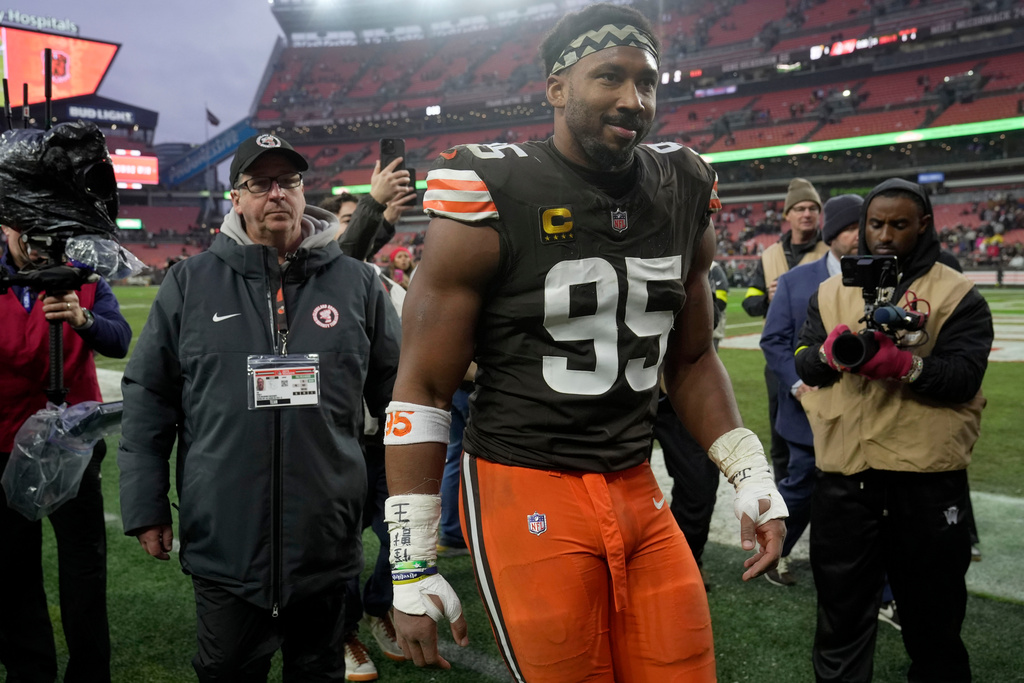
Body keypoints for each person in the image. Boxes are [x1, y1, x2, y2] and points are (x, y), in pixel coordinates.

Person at [382, 5, 787, 681]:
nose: (634, 100)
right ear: (557, 87)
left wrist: (751, 475)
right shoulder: (491, 187)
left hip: (634, 476)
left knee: (686, 668)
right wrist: (410, 559)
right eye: (609, 77)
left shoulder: (683, 184)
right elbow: (423, 383)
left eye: (648, 81)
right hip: (524, 478)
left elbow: (689, 358)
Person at [117, 133, 402, 680]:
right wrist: (145, 504)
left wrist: (402, 511)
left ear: (302, 190)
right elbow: (150, 395)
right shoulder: (189, 283)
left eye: (288, 181)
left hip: (325, 544)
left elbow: (397, 401)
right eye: (260, 183)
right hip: (226, 543)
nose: (277, 193)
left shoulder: (358, 283)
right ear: (237, 199)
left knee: (318, 672)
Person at [794, 178, 992, 682]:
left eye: (898, 225)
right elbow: (805, 362)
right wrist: (825, 354)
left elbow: (964, 378)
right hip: (844, 480)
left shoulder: (958, 294)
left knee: (934, 627)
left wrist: (905, 365)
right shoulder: (829, 290)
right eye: (876, 224)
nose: (884, 235)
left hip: (924, 482)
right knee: (839, 623)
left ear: (923, 226)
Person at [0, 224, 131, 683]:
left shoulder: (88, 278)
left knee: (84, 566)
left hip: (72, 441)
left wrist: (83, 320)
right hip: (2, 440)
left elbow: (119, 340)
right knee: (13, 567)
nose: (37, 238)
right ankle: (28, 670)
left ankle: (90, 673)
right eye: (24, 225)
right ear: (4, 227)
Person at [759, 194, 862, 587]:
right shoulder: (795, 280)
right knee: (800, 486)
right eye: (850, 227)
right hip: (809, 410)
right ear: (831, 234)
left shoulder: (887, 279)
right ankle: (776, 551)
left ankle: (882, 587)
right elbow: (773, 341)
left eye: (861, 227)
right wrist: (799, 383)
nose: (859, 236)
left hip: (868, 411)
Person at [742, 178, 828, 483]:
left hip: (820, 351)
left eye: (812, 208)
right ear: (787, 215)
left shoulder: (830, 251)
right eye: (800, 208)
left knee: (823, 424)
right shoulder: (770, 254)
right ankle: (783, 488)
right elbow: (749, 302)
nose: (807, 214)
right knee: (779, 426)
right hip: (779, 355)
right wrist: (767, 296)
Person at [653, 261, 731, 590]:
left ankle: (684, 563)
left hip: (681, 389)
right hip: (619, 389)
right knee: (611, 486)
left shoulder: (704, 265)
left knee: (700, 484)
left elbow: (709, 317)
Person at [319, 156, 416, 260]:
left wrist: (387, 220)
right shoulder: (316, 265)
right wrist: (375, 201)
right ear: (325, 227)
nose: (356, 225)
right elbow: (348, 251)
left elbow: (366, 243)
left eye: (358, 218)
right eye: (348, 220)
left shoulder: (362, 263)